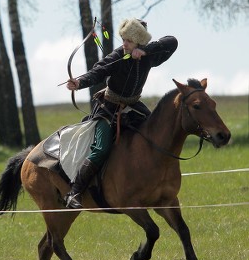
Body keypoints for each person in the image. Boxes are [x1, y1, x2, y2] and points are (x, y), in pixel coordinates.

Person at [65, 18, 178, 209]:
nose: (124, 43)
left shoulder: (149, 55)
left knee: (153, 138)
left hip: (134, 107)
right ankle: (74, 193)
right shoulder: (118, 55)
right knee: (101, 149)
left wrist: (146, 50)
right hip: (108, 108)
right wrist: (80, 82)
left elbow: (172, 41)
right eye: (124, 39)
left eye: (129, 40)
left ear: (139, 42)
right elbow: (98, 71)